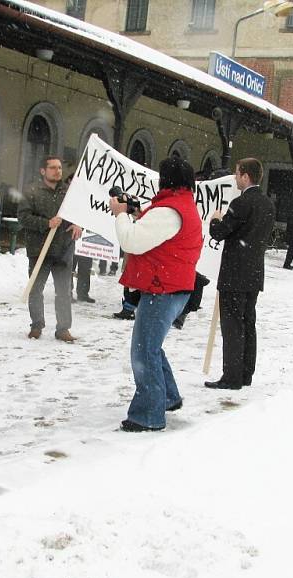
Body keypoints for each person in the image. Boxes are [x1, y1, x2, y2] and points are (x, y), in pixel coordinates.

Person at [110, 156, 202, 431]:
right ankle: (168, 397)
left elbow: (131, 241)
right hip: (175, 286)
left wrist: (121, 215)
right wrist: (137, 215)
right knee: (151, 346)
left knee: (143, 351)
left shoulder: (169, 210)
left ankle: (148, 414)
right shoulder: (180, 205)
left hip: (163, 289)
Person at [205, 157, 275, 390]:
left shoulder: (241, 203)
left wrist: (214, 221)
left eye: (237, 174)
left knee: (233, 325)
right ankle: (246, 373)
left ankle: (232, 376)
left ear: (245, 176)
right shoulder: (267, 204)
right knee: (248, 323)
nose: (236, 178)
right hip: (254, 272)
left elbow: (221, 232)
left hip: (235, 274)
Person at [18, 156, 82, 342]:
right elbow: (23, 217)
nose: (58, 171)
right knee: (36, 289)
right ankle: (37, 325)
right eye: (53, 168)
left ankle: (63, 329)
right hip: (40, 249)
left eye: (60, 168)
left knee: (64, 291)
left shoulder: (68, 193)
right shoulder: (32, 191)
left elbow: (80, 213)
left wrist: (79, 225)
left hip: (64, 248)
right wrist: (46, 223)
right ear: (43, 171)